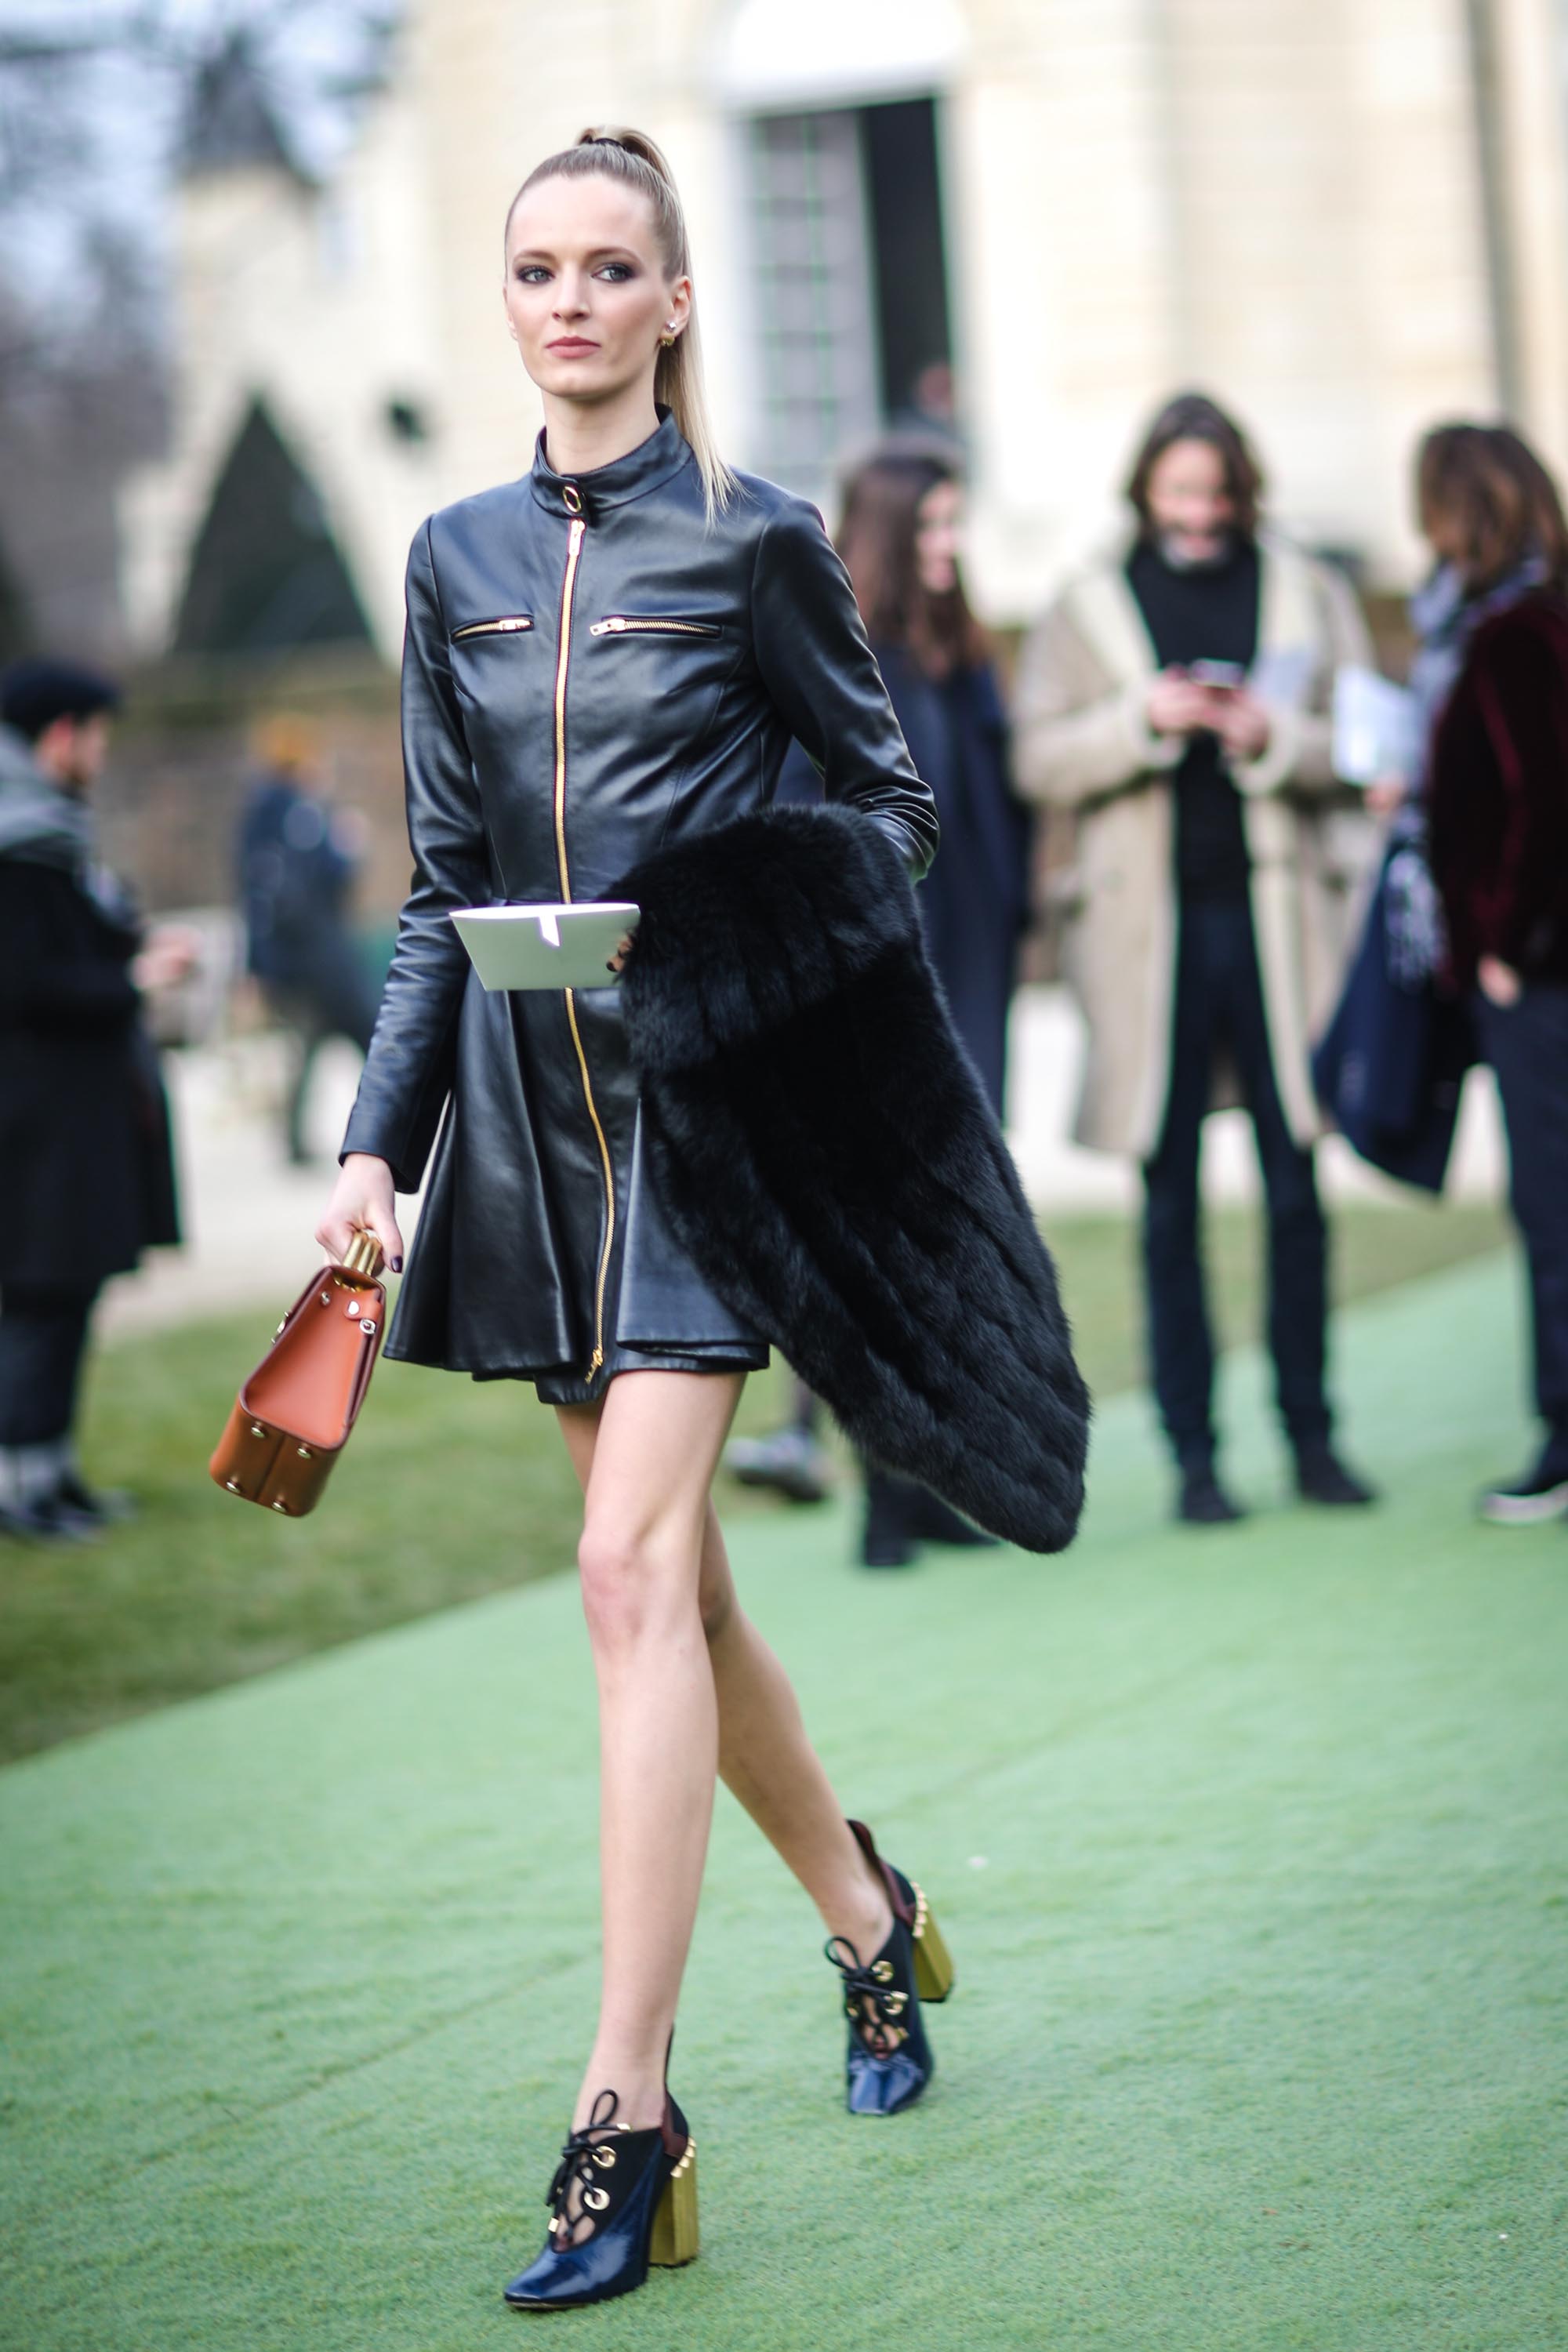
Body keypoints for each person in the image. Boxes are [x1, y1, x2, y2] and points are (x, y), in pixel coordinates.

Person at [315, 129, 953, 2314]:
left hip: (717, 1126)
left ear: (678, 302)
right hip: (528, 1142)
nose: (571, 300)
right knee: (677, 1588)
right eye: (537, 270)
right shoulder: (450, 557)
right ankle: (868, 1919)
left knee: (615, 1580)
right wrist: (374, 1150)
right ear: (507, 303)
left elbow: (890, 811)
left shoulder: (761, 547)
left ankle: (629, 2110)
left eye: (611, 269)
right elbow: (431, 893)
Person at [1014, 391, 1377, 1524]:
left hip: (1280, 930)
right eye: (1180, 493)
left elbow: (1366, 741)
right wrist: (1142, 721)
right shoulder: (1084, 603)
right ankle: (1196, 1461)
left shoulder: (1309, 588)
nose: (1200, 513)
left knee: (1295, 1187)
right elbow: (1036, 757)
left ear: (1241, 493)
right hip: (1145, 942)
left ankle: (1313, 1440)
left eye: (1216, 494)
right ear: (1147, 493)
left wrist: (1276, 741)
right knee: (1166, 1198)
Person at [743, 442, 1033, 1566]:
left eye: (958, 528)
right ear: (886, 535)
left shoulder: (962, 657)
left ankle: (930, 1482)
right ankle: (882, 1493)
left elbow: (997, 809)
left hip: (974, 966)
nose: (952, 549)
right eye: (934, 530)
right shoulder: (836, 661)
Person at [0, 658, 187, 1540]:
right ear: (62, 735)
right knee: (37, 1304)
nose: (103, 752)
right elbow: (27, 983)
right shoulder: (17, 842)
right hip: (33, 1123)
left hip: (62, 1119)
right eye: (97, 734)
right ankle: (18, 1488)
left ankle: (55, 1474)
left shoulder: (45, 831)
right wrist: (135, 975)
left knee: (64, 1298)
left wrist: (131, 943)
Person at [1419, 423, 1568, 1523]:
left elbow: (1539, 803)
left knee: (1552, 1201)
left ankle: (1563, 1441)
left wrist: (1505, 944)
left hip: (1545, 978)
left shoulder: (1515, 632)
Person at [236, 715, 378, 1163]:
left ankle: (297, 1141)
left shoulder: (256, 818)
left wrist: (257, 965)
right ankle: (388, 1123)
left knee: (306, 1048)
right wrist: (348, 848)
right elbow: (326, 880)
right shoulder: (303, 813)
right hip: (322, 956)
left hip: (289, 959)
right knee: (373, 1040)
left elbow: (253, 898)